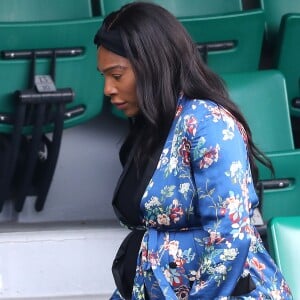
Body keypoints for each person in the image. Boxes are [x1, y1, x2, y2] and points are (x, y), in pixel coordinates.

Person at [94, 2, 292, 299]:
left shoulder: (208, 123)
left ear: (152, 65)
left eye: (117, 75)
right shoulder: (154, 126)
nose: (107, 89)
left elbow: (230, 238)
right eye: (104, 77)